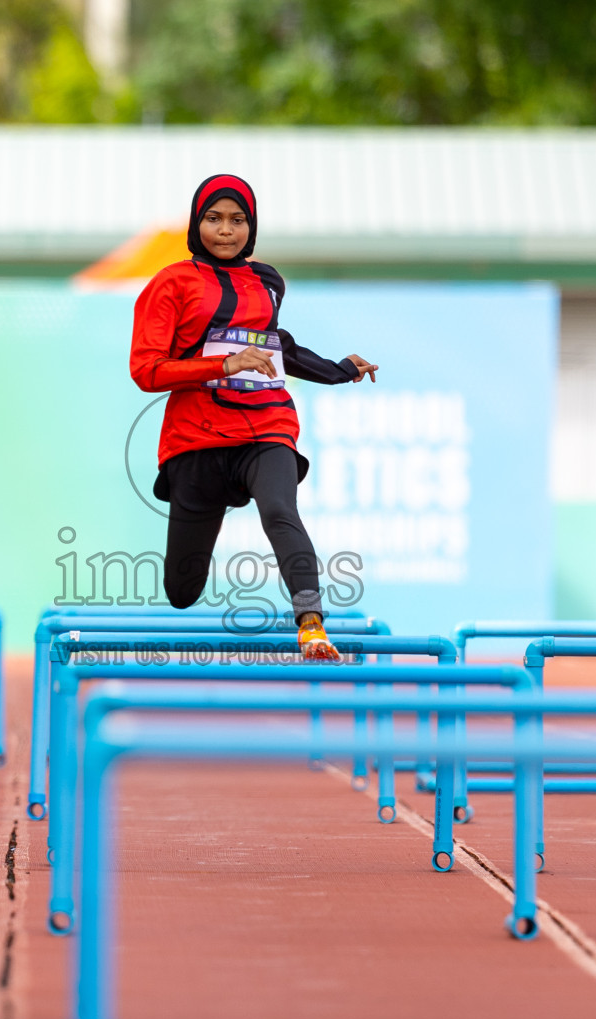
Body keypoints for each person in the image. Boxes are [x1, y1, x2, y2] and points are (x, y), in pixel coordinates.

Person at [130, 174, 379, 657]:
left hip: (266, 424)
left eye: (238, 220)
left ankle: (311, 625)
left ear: (253, 225)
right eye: (214, 219)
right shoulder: (170, 283)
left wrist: (340, 370)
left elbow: (275, 344)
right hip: (196, 439)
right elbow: (146, 369)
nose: (227, 230)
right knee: (182, 591)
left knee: (282, 511)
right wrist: (223, 364)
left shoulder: (267, 280)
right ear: (196, 223)